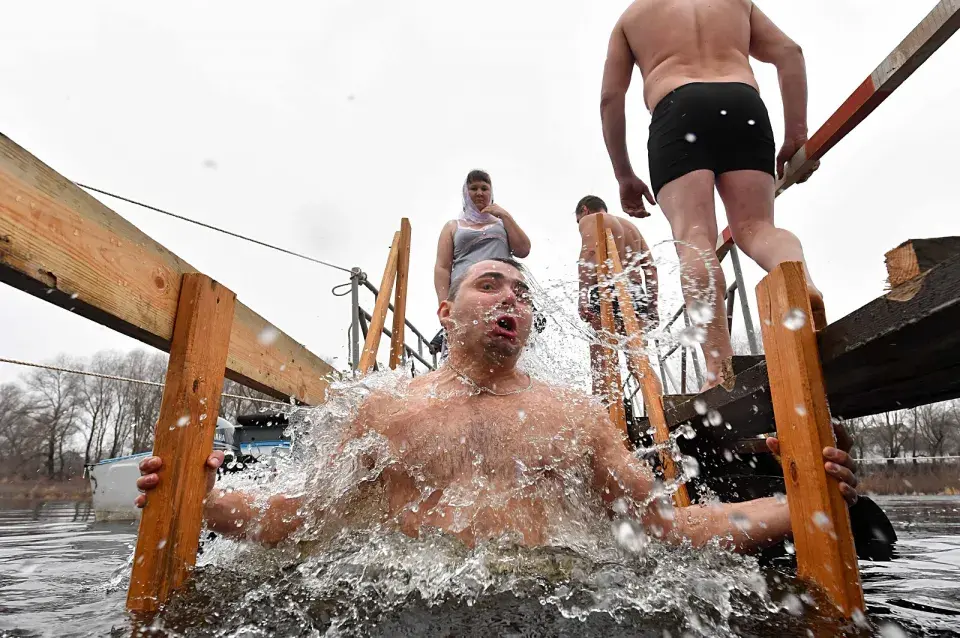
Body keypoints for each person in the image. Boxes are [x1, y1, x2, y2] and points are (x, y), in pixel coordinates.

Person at [135, 258, 858, 552]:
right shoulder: (383, 411)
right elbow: (305, 521)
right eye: (490, 285)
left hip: (552, 601)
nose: (511, 296)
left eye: (521, 292)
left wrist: (806, 504)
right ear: (445, 310)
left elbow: (664, 530)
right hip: (410, 606)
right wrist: (197, 499)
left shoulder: (574, 416)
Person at [599, 0, 823, 390]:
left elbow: (609, 99)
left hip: (677, 108)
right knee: (757, 228)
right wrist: (796, 134)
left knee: (695, 237)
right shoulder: (736, 2)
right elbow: (790, 53)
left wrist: (624, 174)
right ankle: (800, 281)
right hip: (742, 103)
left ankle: (720, 371)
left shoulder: (633, 17)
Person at [430, 170, 532, 356]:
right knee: (462, 345)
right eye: (473, 188)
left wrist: (505, 215)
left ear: (491, 192)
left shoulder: (502, 224)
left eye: (484, 188)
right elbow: (442, 268)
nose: (479, 193)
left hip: (501, 291)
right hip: (468, 293)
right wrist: (445, 303)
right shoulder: (453, 226)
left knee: (504, 341)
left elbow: (523, 250)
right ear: (465, 192)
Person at [574, 195, 658, 396]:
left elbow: (590, 253)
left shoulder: (591, 219)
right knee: (638, 363)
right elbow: (651, 269)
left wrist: (583, 295)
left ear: (584, 210)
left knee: (603, 367)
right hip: (635, 291)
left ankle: (610, 424)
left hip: (605, 289)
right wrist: (653, 306)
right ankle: (662, 411)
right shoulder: (631, 227)